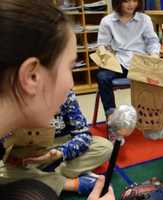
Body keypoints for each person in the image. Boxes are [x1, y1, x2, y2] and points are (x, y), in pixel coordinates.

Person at [0, 0, 115, 199]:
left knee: (104, 147)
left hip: (52, 155)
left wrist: (56, 153)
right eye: (70, 67)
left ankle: (40, 177)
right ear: (32, 76)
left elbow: (83, 134)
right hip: (22, 162)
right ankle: (62, 181)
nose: (71, 83)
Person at [3, 90, 112, 195]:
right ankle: (69, 183)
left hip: (61, 147)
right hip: (25, 155)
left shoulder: (64, 91)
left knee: (105, 147)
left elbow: (83, 134)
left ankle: (36, 175)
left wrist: (61, 153)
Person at [96, 0, 160, 119]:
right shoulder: (107, 21)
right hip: (118, 62)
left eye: (134, 0)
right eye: (126, 1)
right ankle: (112, 119)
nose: (131, 4)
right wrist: (103, 52)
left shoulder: (144, 19)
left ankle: (150, 116)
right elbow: (102, 44)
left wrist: (154, 55)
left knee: (162, 74)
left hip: (139, 62)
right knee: (102, 77)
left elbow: (152, 41)